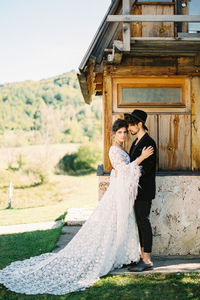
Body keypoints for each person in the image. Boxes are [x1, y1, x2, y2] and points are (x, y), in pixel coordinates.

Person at [0, 119, 153, 295]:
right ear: (114, 134)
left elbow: (124, 171)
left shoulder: (122, 149)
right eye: (120, 132)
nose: (124, 135)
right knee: (113, 223)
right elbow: (124, 170)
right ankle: (112, 255)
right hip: (117, 194)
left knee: (123, 223)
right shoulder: (113, 150)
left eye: (125, 132)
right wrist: (141, 158)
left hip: (123, 193)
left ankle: (124, 256)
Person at [124, 110, 157, 272]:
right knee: (139, 223)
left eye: (131, 125)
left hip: (144, 190)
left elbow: (145, 169)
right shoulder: (136, 142)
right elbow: (135, 165)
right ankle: (142, 257)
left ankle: (147, 259)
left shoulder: (148, 143)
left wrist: (131, 171)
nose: (129, 128)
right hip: (135, 190)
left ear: (139, 124)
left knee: (144, 222)